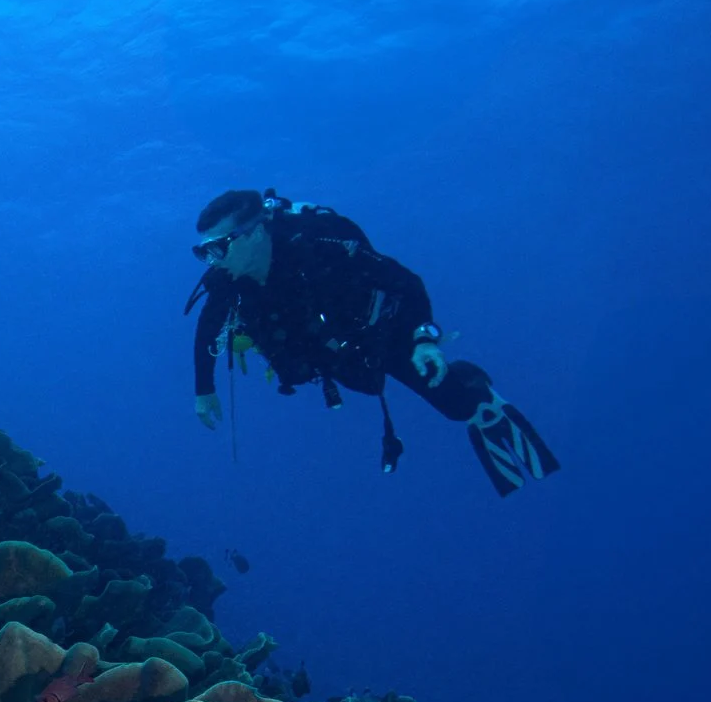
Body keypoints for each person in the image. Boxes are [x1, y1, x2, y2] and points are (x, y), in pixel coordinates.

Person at [187, 189, 558, 494]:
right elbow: (208, 326)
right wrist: (204, 390)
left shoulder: (320, 245)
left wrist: (424, 339)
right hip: (329, 352)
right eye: (203, 252)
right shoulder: (227, 279)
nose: (211, 261)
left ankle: (479, 396)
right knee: (364, 383)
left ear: (254, 234)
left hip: (381, 333)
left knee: (453, 404)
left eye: (218, 247)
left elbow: (405, 282)